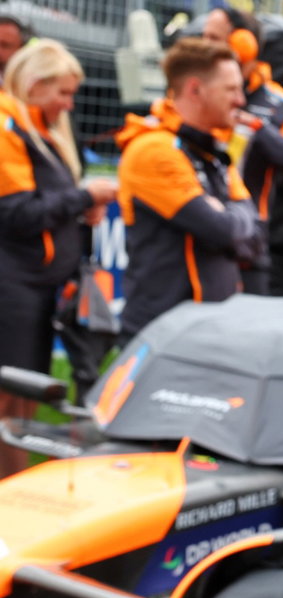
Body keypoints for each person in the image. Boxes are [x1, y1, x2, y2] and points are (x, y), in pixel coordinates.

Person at [0, 39, 115, 474]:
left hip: (38, 287)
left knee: (25, 398)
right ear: (33, 84)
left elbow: (45, 204)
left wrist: (81, 207)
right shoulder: (6, 128)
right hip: (13, 287)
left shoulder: (40, 132)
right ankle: (11, 497)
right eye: (62, 93)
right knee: (10, 400)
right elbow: (16, 214)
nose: (68, 104)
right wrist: (83, 195)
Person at [116, 38, 264, 336]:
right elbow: (220, 229)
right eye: (231, 89)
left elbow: (256, 236)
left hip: (210, 325)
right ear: (195, 89)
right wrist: (229, 219)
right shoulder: (153, 149)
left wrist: (229, 217)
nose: (240, 100)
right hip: (162, 330)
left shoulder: (212, 151)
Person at [199, 6, 283, 295]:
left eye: (212, 37)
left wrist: (256, 129)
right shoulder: (191, 93)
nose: (202, 45)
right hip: (189, 232)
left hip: (246, 243)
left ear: (244, 45)